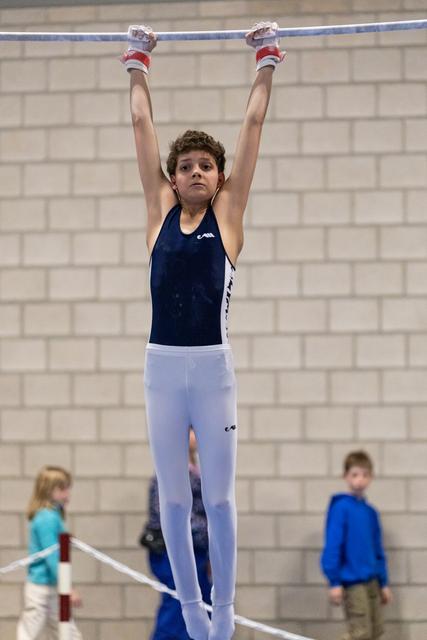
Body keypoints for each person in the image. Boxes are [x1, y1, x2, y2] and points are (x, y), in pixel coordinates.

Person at [121, 20, 285, 640]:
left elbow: (252, 131)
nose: (194, 173)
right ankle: (192, 618)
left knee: (216, 500)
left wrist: (265, 62)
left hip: (213, 370)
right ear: (171, 179)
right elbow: (141, 128)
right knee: (171, 502)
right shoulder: (159, 214)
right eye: (184, 166)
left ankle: (222, 616)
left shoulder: (230, 220)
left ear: (219, 179)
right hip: (162, 369)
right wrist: (138, 61)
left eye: (205, 167)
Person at [141, 429, 211, 640]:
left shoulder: (195, 470)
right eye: (192, 430)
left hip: (195, 550)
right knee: (176, 610)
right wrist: (208, 531)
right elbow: (170, 515)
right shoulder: (170, 471)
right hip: (172, 552)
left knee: (200, 610)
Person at [321, 450, 392, 640]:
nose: (360, 480)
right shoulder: (340, 508)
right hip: (353, 582)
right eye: (355, 474)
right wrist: (334, 581)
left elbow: (378, 550)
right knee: (360, 633)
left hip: (373, 581)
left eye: (365, 475)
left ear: (371, 477)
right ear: (345, 476)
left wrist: (384, 583)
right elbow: (332, 546)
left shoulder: (370, 512)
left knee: (376, 631)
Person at [17, 466, 83, 640]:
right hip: (41, 588)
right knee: (28, 632)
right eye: (62, 489)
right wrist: (68, 587)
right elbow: (52, 557)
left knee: (68, 632)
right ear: (48, 490)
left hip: (52, 586)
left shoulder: (52, 516)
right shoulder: (46, 517)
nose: (67, 493)